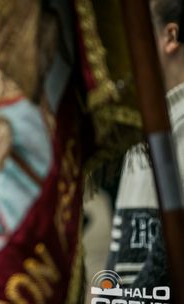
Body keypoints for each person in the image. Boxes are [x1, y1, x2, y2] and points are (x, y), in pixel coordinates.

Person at [105, 0, 183, 289]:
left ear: (170, 37)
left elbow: (171, 253)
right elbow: (117, 246)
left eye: (140, 32)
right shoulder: (142, 130)